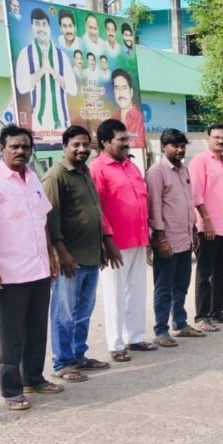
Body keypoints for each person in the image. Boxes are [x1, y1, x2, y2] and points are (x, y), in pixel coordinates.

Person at [0, 125, 61, 411]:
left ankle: (33, 379)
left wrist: (51, 256)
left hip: (38, 268)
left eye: (25, 147)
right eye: (15, 147)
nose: (21, 151)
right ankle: (11, 390)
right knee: (10, 335)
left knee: (36, 330)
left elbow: (42, 221)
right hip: (8, 273)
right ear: (2, 149)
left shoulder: (33, 178)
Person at [42, 125, 113, 384]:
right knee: (64, 313)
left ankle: (78, 355)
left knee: (83, 310)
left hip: (90, 255)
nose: (82, 149)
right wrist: (61, 254)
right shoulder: (56, 176)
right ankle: (62, 362)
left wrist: (101, 247)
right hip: (69, 259)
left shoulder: (85, 172)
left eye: (85, 144)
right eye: (76, 145)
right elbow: (50, 219)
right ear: (65, 147)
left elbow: (93, 212)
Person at [89, 119, 155, 362]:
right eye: (122, 140)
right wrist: (106, 241)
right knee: (114, 294)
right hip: (115, 243)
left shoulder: (131, 166)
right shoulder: (98, 169)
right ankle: (116, 343)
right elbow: (97, 208)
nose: (127, 144)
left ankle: (135, 337)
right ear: (105, 142)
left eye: (128, 139)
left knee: (136, 290)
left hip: (137, 238)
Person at [147, 129, 206, 347]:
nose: (180, 150)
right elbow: (154, 208)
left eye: (182, 146)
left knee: (181, 284)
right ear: (164, 147)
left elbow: (188, 203)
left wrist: (194, 231)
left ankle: (180, 324)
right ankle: (161, 330)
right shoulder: (156, 172)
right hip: (167, 240)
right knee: (164, 287)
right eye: (175, 146)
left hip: (185, 237)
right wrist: (160, 239)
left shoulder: (184, 170)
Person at [191, 124, 223, 330]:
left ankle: (217, 311)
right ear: (208, 139)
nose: (221, 141)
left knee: (222, 271)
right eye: (216, 137)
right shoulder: (200, 161)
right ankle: (202, 316)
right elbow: (196, 195)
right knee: (205, 273)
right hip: (209, 227)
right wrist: (206, 221)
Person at [13, 8, 79, 132]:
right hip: (39, 125)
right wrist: (42, 69)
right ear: (32, 27)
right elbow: (22, 87)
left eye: (44, 24)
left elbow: (73, 89)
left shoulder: (61, 55)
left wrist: (53, 72)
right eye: (37, 24)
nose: (41, 28)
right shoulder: (25, 53)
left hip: (62, 124)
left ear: (49, 28)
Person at [111, 69, 144, 148]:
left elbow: (140, 143)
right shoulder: (112, 120)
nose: (120, 93)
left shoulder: (140, 119)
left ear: (131, 92)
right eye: (117, 88)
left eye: (124, 88)